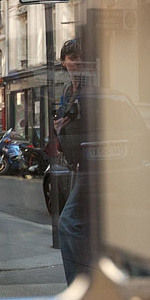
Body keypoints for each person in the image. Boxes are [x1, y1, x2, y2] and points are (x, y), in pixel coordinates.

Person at [54, 38, 95, 284]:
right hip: (81, 162)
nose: (77, 61)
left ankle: (78, 285)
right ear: (63, 62)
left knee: (68, 223)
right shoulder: (68, 92)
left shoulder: (92, 87)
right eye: (72, 57)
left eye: (80, 57)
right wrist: (60, 126)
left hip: (96, 164)